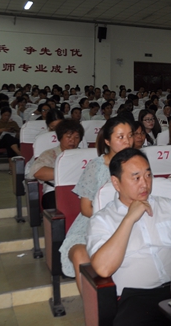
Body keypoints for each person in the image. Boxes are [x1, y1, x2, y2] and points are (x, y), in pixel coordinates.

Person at [87, 148, 171, 326]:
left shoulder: (168, 207)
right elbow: (103, 269)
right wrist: (129, 219)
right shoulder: (102, 220)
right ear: (116, 182)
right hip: (137, 298)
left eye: (148, 175)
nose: (145, 184)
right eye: (136, 178)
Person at [59, 117, 134, 294]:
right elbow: (85, 209)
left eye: (130, 136)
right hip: (92, 223)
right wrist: (112, 222)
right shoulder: (96, 166)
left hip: (129, 221)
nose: (127, 141)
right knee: (80, 254)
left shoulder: (138, 164)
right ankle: (94, 309)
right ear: (107, 141)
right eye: (120, 137)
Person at [26, 120, 84, 209]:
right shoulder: (50, 154)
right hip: (54, 190)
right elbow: (37, 172)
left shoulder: (84, 155)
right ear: (60, 137)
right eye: (68, 137)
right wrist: (71, 172)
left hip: (82, 191)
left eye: (77, 137)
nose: (73, 140)